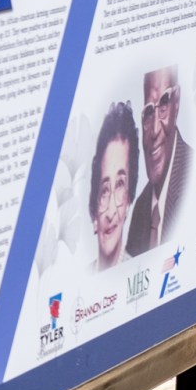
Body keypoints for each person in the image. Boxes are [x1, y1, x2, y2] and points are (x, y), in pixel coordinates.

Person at [126, 64, 192, 257]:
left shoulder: (194, 177)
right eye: (148, 113)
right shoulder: (140, 209)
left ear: (177, 102)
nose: (154, 130)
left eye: (164, 103)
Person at [89, 101, 139, 271]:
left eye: (119, 185)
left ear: (129, 203)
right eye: (104, 191)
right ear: (94, 207)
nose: (111, 212)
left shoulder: (138, 270)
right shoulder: (79, 277)